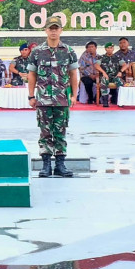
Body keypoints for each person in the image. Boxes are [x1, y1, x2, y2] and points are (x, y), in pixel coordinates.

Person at [27, 15, 79, 178]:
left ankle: (60, 165)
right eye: (51, 28)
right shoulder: (37, 52)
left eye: (56, 28)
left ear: (61, 30)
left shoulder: (69, 51)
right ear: (46, 30)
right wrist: (30, 96)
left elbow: (73, 74)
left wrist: (74, 95)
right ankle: (46, 165)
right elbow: (31, 75)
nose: (53, 31)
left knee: (60, 131)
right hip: (43, 99)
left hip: (62, 98)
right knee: (45, 132)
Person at [96, 42, 125, 107]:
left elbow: (125, 65)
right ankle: (105, 101)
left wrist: (120, 71)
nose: (109, 49)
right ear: (105, 49)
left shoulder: (117, 57)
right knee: (103, 81)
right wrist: (103, 72)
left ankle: (121, 101)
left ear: (113, 49)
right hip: (106, 76)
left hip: (115, 76)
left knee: (121, 82)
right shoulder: (101, 57)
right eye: (108, 48)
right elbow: (97, 65)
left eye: (111, 48)